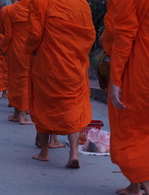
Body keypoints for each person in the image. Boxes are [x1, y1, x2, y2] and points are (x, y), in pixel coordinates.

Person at [25, 0, 95, 167]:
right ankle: (74, 153)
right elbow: (90, 35)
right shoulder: (82, 4)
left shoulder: (41, 2)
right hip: (74, 64)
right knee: (73, 105)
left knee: (43, 105)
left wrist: (30, 50)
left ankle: (44, 152)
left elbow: (35, 34)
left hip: (48, 63)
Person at [104, 0, 149, 194]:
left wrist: (116, 80)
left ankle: (144, 180)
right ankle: (134, 186)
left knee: (129, 128)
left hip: (140, 69)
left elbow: (123, 34)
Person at [0, 0, 33, 125]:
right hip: (32, 49)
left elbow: (7, 34)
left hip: (16, 50)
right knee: (26, 81)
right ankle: (22, 115)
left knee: (15, 80)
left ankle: (18, 114)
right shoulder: (37, 8)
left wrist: (2, 47)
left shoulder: (9, 10)